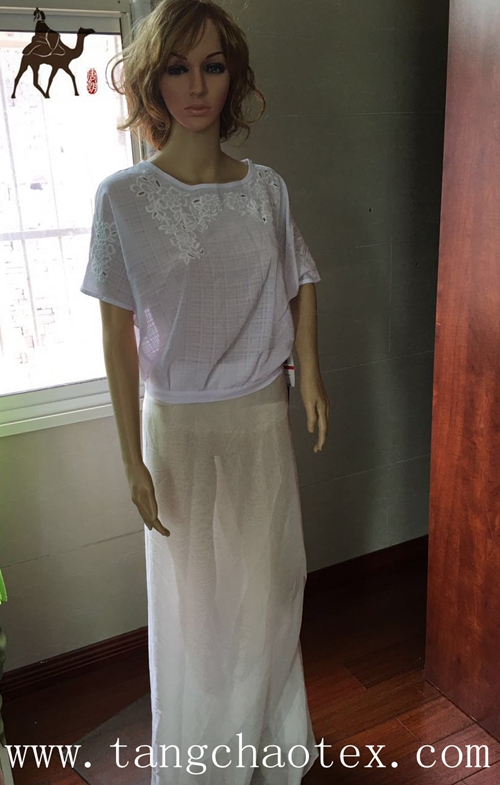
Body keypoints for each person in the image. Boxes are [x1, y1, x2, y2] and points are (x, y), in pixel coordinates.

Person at [80, 0, 329, 782]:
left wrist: (310, 371)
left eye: (213, 66)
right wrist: (131, 458)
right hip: (177, 429)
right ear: (154, 81)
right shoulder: (121, 198)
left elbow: (301, 276)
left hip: (259, 420)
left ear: (234, 75)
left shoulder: (266, 189)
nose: (197, 87)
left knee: (269, 591)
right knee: (196, 609)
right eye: (178, 68)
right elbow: (116, 334)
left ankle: (270, 744)